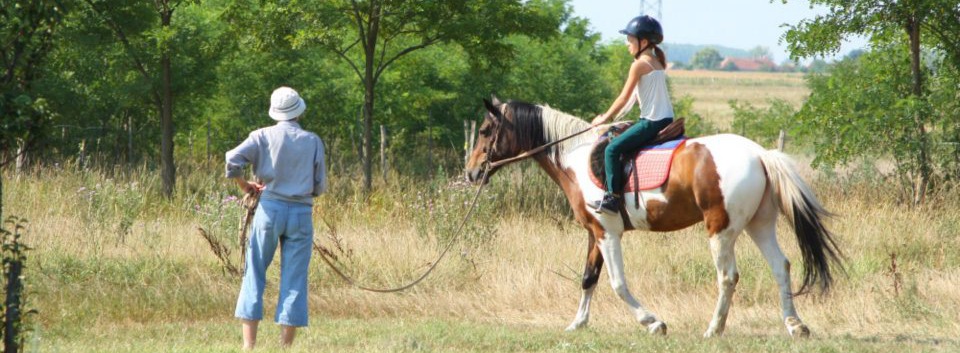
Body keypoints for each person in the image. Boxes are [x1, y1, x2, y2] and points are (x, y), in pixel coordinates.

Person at [226, 86, 327, 350]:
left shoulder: (261, 136)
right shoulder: (313, 141)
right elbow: (319, 187)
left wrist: (243, 184)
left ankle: (249, 346)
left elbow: (231, 158)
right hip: (301, 212)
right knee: (294, 278)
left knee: (255, 272)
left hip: (269, 209)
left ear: (275, 111)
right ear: (298, 110)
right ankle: (285, 348)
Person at [589, 15, 675, 214]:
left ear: (643, 42)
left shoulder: (639, 65)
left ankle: (612, 199)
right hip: (666, 119)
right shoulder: (657, 61)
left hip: (652, 122)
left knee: (611, 149)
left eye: (630, 40)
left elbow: (622, 98)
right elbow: (635, 99)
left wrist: (604, 118)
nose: (627, 44)